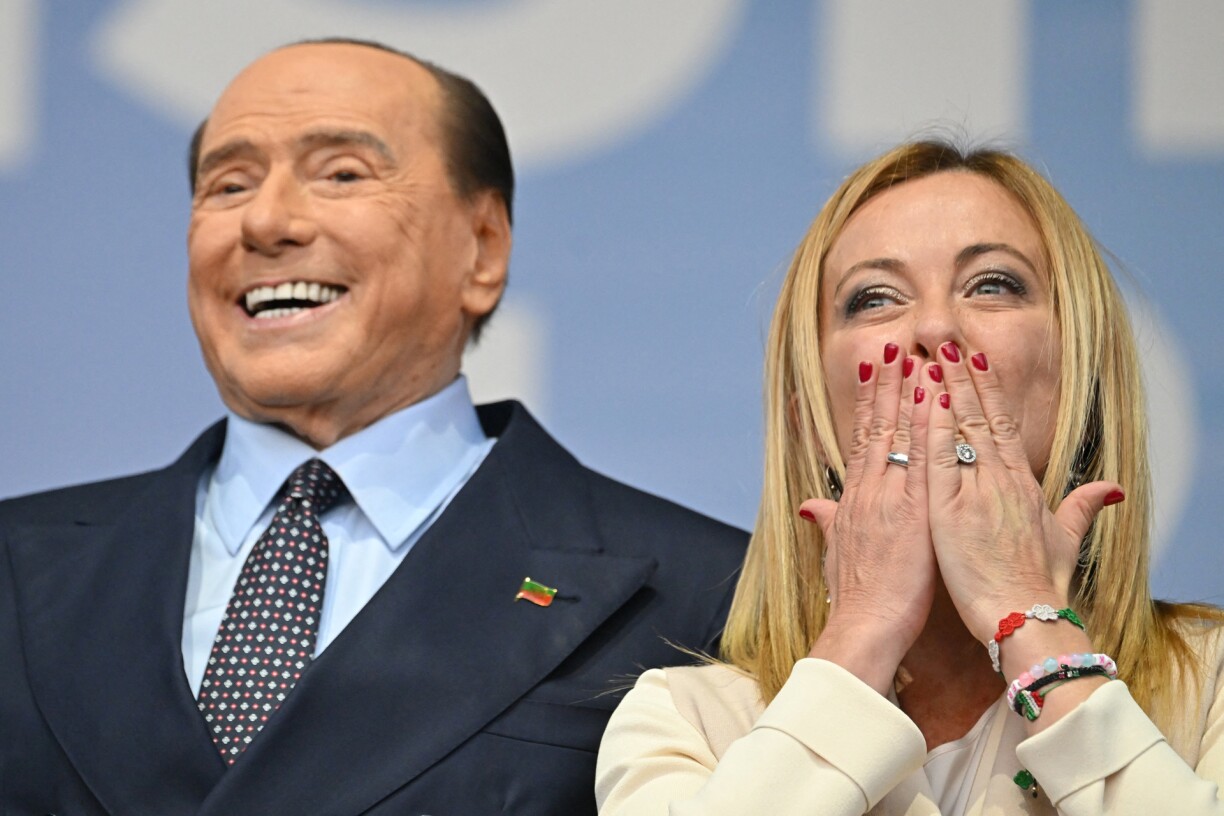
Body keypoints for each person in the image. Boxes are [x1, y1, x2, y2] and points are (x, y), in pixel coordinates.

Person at [0, 39, 747, 815]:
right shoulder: (15, 570)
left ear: (482, 250)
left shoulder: (702, 598)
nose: (265, 220)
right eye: (227, 185)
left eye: (342, 174)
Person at [596, 140, 1224, 814]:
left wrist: (1033, 624)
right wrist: (863, 630)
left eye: (993, 284)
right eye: (874, 299)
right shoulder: (687, 722)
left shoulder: (1211, 682)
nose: (932, 326)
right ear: (808, 414)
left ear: (1084, 381)